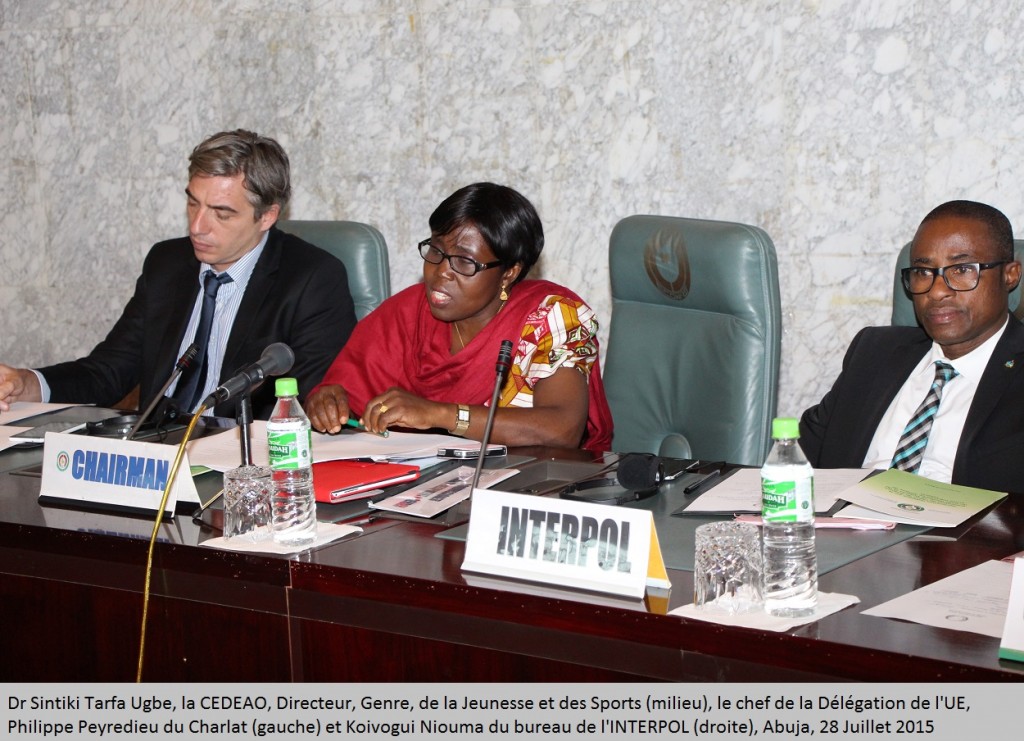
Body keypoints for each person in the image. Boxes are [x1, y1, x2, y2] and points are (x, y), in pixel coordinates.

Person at [0, 129, 357, 420]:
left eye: (222, 213)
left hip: (241, 466)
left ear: (266, 216)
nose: (197, 227)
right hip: (157, 452)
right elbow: (109, 369)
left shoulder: (312, 278)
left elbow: (311, 402)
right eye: (192, 203)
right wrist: (31, 384)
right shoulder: (167, 263)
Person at [307, 182, 613, 451]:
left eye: (465, 262)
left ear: (509, 272)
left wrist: (439, 413)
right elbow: (346, 395)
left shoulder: (550, 318)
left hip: (529, 489)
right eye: (436, 251)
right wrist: (326, 403)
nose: (441, 271)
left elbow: (562, 429)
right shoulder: (408, 312)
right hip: (422, 487)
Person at [800, 199, 1024, 492]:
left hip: (963, 536)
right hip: (844, 530)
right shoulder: (873, 352)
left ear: (1011, 275)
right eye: (922, 272)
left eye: (962, 269)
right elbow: (800, 458)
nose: (938, 290)